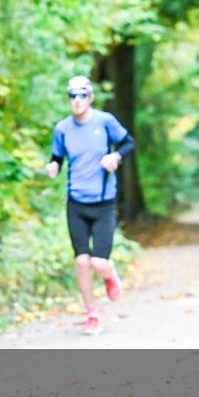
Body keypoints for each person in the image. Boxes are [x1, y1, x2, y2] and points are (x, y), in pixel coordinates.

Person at [45, 76, 135, 336]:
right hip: (76, 203)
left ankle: (109, 273)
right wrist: (53, 167)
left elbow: (129, 143)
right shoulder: (62, 128)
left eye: (82, 95)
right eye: (72, 96)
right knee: (82, 261)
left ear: (91, 98)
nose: (77, 100)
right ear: (68, 99)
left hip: (103, 202)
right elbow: (56, 157)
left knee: (98, 262)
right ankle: (92, 314)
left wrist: (115, 156)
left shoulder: (104, 122)